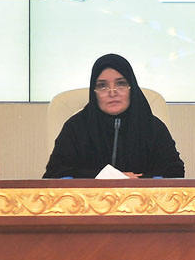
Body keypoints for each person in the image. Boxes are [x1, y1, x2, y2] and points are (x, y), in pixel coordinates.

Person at [43, 53, 184, 179]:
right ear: (94, 91)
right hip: (87, 206)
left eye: (121, 84)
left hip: (143, 205)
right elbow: (54, 174)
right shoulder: (76, 127)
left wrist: (136, 183)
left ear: (132, 88)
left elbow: (175, 172)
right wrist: (104, 177)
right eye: (102, 86)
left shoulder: (153, 127)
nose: (112, 92)